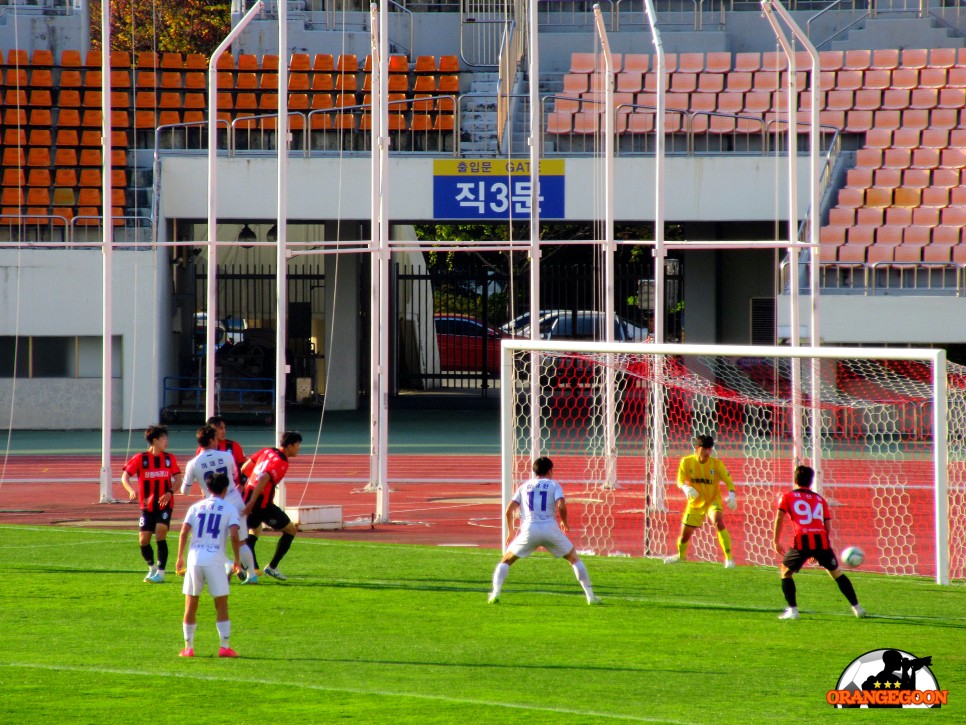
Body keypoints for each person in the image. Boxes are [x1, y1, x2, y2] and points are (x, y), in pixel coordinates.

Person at [487, 456, 601, 605]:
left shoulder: (524, 486)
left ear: (535, 472)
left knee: (506, 561)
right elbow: (561, 505)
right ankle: (590, 596)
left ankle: (495, 593)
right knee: (573, 558)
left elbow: (509, 510)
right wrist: (564, 522)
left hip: (529, 530)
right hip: (550, 528)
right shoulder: (554, 485)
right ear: (550, 470)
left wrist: (510, 532)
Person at [773, 464, 866, 620]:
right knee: (836, 573)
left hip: (802, 540)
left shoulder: (787, 497)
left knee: (785, 571)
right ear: (811, 481)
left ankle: (793, 610)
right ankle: (857, 608)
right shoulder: (820, 499)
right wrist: (818, 550)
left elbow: (779, 518)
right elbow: (827, 526)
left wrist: (776, 540)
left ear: (795, 479)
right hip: (821, 540)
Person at [175, 472, 242, 658]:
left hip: (194, 558)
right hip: (215, 559)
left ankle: (188, 648)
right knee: (221, 604)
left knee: (191, 603)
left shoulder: (196, 507)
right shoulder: (229, 508)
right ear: (225, 489)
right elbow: (235, 535)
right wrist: (237, 560)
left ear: (208, 487)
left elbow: (183, 531)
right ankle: (224, 646)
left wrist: (180, 557)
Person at [182, 425, 258, 584]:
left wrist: (201, 482)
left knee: (210, 541)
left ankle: (228, 564)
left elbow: (185, 491)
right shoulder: (226, 456)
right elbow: (235, 476)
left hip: (214, 505)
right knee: (242, 539)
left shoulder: (193, 463)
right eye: (216, 438)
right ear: (211, 440)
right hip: (235, 500)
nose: (218, 441)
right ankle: (251, 574)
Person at [121, 424, 183, 583]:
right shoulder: (140, 459)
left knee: (161, 531)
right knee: (143, 540)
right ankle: (152, 568)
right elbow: (125, 477)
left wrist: (170, 492)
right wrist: (130, 490)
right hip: (147, 506)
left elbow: (178, 479)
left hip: (164, 505)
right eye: (163, 438)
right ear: (154, 440)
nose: (166, 441)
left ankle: (161, 573)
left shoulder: (169, 458)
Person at [665, 434, 737, 568]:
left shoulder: (716, 464)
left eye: (710, 449)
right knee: (684, 535)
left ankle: (729, 558)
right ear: (696, 448)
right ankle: (681, 556)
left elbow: (729, 481)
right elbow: (680, 480)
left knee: (718, 521)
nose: (708, 452)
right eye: (704, 449)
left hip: (712, 501)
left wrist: (732, 495)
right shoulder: (686, 462)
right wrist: (685, 487)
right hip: (695, 503)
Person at [241, 431, 303, 581]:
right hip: (261, 505)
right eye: (297, 445)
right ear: (289, 446)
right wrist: (253, 501)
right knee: (290, 531)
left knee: (254, 530)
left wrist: (251, 488)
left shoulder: (266, 451)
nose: (299, 448)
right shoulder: (281, 462)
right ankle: (270, 567)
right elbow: (263, 479)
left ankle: (248, 566)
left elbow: (245, 469)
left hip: (248, 497)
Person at [204, 415, 248, 483]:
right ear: (212, 430)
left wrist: (241, 486)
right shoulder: (203, 449)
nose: (224, 431)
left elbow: (245, 469)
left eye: (224, 428)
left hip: (233, 490)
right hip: (212, 491)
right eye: (221, 428)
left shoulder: (234, 446)